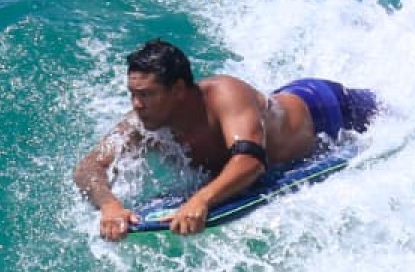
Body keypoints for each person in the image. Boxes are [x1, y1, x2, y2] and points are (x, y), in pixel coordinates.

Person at [74, 39, 378, 240]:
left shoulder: (225, 95)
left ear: (179, 90)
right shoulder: (144, 122)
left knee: (395, 118)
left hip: (327, 107)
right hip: (274, 117)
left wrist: (201, 199)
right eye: (133, 94)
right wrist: (110, 206)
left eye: (147, 94)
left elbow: (251, 161)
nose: (137, 105)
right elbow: (89, 167)